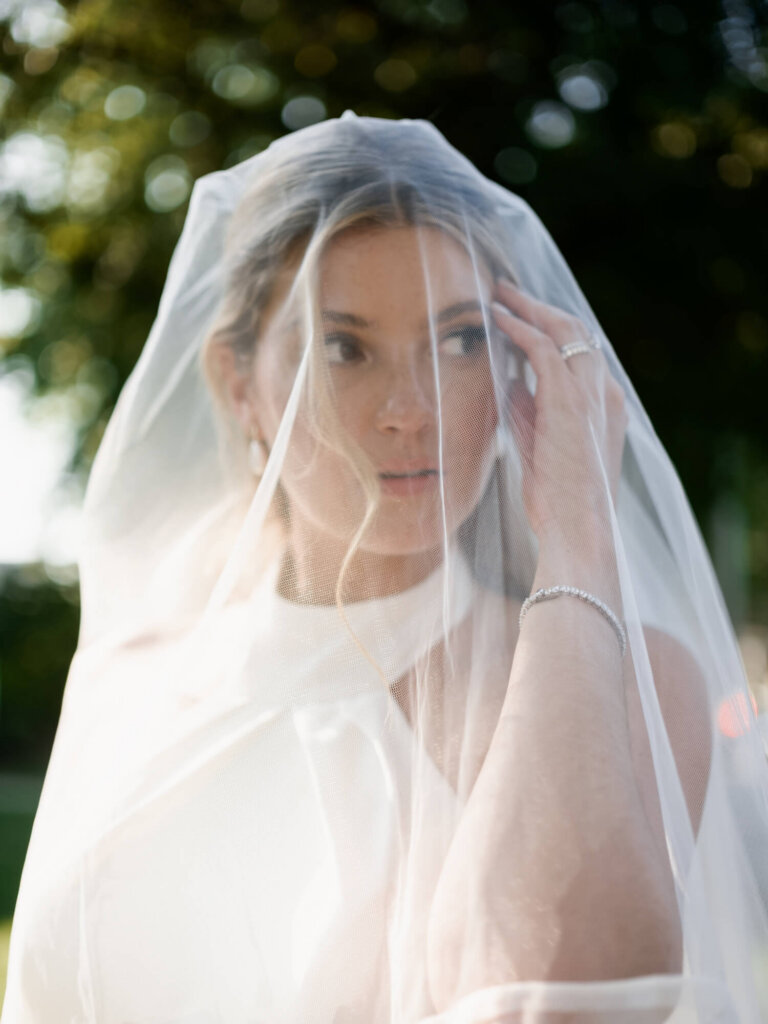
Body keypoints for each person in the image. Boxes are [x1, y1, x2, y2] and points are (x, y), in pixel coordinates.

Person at [3, 112, 768, 1023]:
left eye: (461, 341)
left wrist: (578, 537)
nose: (413, 411)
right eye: (343, 347)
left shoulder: (628, 684)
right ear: (237, 383)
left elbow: (574, 999)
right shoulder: (132, 686)